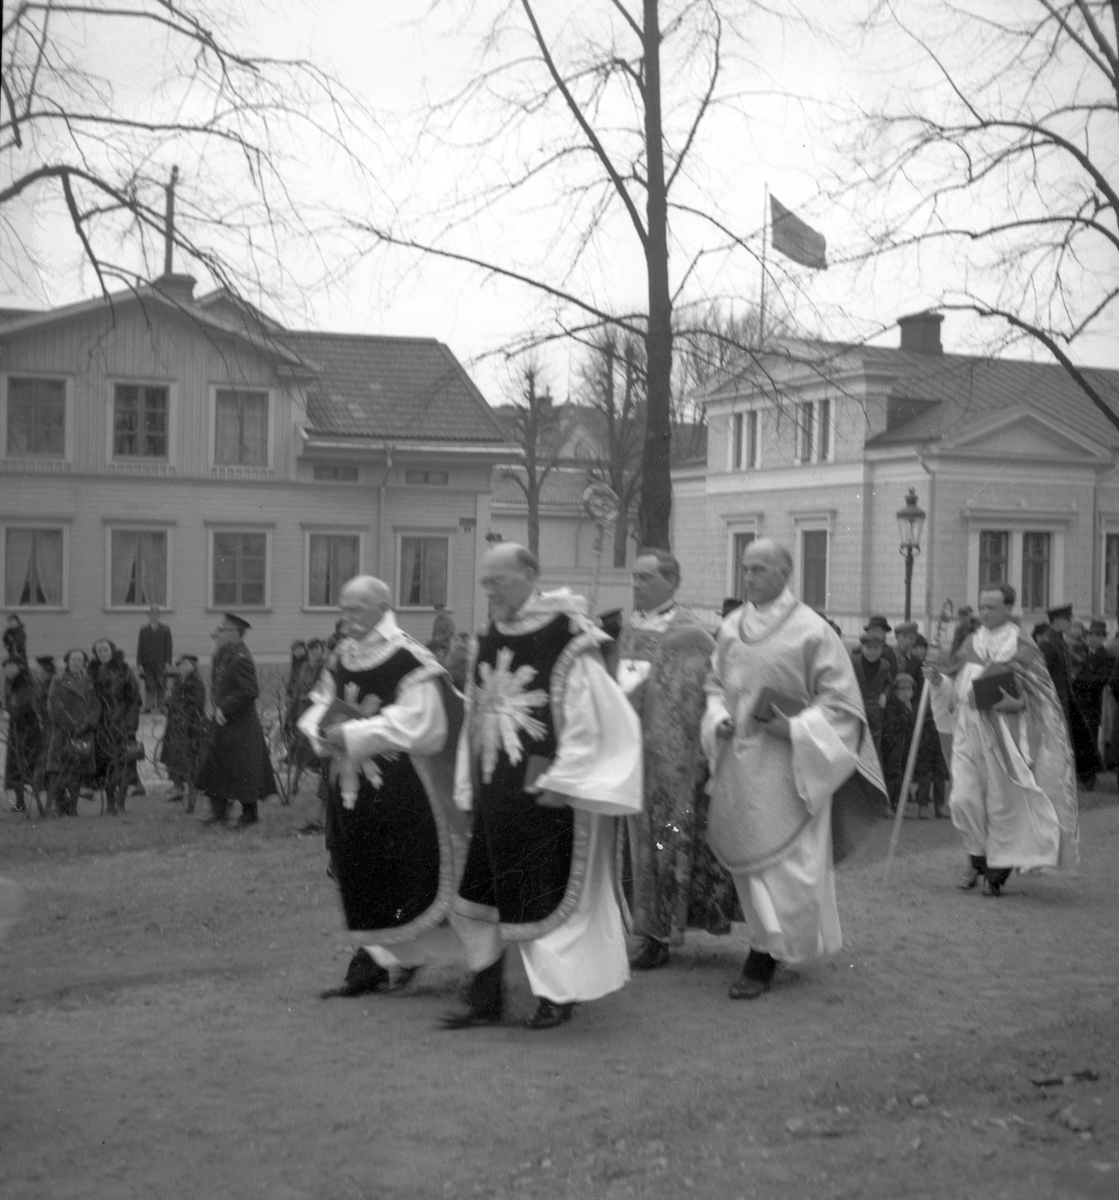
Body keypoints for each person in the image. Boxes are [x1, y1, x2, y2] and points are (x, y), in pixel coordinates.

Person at [443, 543, 643, 1031]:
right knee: (485, 894)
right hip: (496, 791)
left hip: (547, 794)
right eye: (485, 583)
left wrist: (563, 780)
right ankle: (485, 993)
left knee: (543, 893)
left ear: (531, 574)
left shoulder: (568, 637)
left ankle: (558, 993)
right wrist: (468, 786)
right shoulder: (487, 636)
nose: (489, 591)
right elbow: (475, 715)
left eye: (498, 581)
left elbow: (590, 718)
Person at [702, 539, 886, 1000]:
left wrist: (795, 729)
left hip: (794, 766)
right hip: (740, 760)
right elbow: (715, 683)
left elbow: (841, 705)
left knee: (790, 869)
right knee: (750, 864)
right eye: (745, 568)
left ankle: (769, 953)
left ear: (786, 572)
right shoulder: (730, 627)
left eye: (759, 569)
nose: (749, 577)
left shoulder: (813, 630)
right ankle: (765, 945)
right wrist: (717, 717)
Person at [300, 576, 467, 998]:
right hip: (349, 782)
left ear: (382, 607)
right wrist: (319, 731)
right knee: (357, 868)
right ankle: (371, 963)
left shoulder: (410, 658)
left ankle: (400, 958)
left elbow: (425, 724)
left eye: (355, 609)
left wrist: (356, 733)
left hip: (401, 786)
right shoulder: (343, 654)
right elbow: (321, 702)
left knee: (403, 872)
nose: (346, 618)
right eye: (343, 609)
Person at [614, 548, 738, 970]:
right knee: (633, 847)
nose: (636, 584)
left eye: (645, 577)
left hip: (672, 765)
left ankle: (660, 933)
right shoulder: (627, 630)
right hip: (627, 758)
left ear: (672, 581)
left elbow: (701, 696)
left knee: (664, 844)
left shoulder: (691, 636)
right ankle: (638, 926)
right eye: (634, 576)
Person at [924, 583, 1079, 896]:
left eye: (991, 607)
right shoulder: (971, 641)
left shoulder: (1023, 646)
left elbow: (1040, 696)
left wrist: (1016, 703)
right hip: (967, 727)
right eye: (982, 606)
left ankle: (995, 873)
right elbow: (955, 686)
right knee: (963, 798)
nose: (984, 612)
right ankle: (977, 858)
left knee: (1002, 803)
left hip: (1004, 735)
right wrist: (938, 680)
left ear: (1009, 608)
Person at [193, 614, 276, 827]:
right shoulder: (223, 654)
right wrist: (215, 707)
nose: (217, 634)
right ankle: (219, 812)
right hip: (223, 721)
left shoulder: (241, 658)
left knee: (243, 769)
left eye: (222, 630)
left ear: (235, 633)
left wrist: (225, 707)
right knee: (216, 766)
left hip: (240, 724)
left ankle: (249, 815)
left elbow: (250, 690)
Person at [1037, 605, 1099, 788]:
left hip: (1066, 699)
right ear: (1057, 620)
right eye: (1068, 619)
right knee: (1059, 741)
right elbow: (1041, 673)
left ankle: (1080, 777)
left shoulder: (1058, 641)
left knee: (1078, 738)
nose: (1071, 622)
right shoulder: (1048, 643)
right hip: (1054, 701)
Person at [880, 672, 948, 819]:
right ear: (895, 691)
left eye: (909, 689)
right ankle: (896, 806)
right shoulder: (893, 707)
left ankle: (936, 806)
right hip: (898, 748)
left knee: (936, 771)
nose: (906, 693)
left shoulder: (916, 704)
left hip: (921, 743)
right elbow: (890, 731)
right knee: (896, 775)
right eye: (902, 689)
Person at [89, 639, 143, 815]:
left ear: (112, 651)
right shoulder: (92, 672)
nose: (103, 653)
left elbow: (135, 700)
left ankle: (121, 804)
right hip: (100, 726)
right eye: (99, 651)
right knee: (105, 765)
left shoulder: (124, 671)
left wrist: (130, 725)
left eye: (105, 650)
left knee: (124, 765)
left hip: (121, 725)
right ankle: (110, 804)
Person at [45, 649, 100, 817]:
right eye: (73, 660)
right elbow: (54, 706)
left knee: (78, 771)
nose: (76, 663)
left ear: (84, 663)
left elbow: (95, 705)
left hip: (83, 733)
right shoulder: (58, 680)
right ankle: (58, 806)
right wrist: (72, 726)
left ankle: (73, 809)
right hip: (64, 733)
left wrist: (88, 723)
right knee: (58, 770)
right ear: (67, 662)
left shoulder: (88, 681)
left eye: (80, 660)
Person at [162, 654, 207, 810]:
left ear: (193, 667)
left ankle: (190, 787)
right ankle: (177, 786)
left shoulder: (195, 683)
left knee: (187, 757)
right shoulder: (179, 680)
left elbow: (195, 705)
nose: (183, 667)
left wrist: (181, 716)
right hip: (176, 725)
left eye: (187, 665)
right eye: (181, 665)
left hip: (189, 727)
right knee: (173, 756)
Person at [3, 657, 44, 814]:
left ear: (19, 667)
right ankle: (20, 803)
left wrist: (11, 713)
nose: (8, 669)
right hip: (16, 730)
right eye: (6, 667)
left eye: (11, 666)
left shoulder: (27, 682)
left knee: (32, 765)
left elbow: (26, 704)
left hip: (29, 730)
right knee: (15, 767)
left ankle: (49, 802)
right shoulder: (9, 682)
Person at [850, 629, 892, 766]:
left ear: (881, 649)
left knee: (874, 745)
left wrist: (884, 694)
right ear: (862, 647)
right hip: (856, 709)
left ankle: (872, 771)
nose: (873, 652)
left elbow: (889, 683)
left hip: (875, 711)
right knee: (854, 743)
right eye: (869, 648)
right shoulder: (852, 662)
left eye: (877, 648)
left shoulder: (885, 666)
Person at [1073, 620, 1111, 761]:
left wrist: (1078, 678)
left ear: (1104, 637)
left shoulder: (1108, 657)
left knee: (1092, 736)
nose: (1093, 638)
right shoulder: (1084, 654)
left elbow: (1100, 680)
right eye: (1091, 635)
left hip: (1095, 703)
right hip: (1081, 702)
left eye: (1098, 635)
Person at [136, 605, 173, 713]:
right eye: (152, 614)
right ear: (149, 615)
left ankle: (161, 706)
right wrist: (139, 663)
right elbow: (140, 647)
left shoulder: (165, 629)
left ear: (159, 615)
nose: (154, 617)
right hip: (147, 662)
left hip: (161, 662)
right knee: (149, 685)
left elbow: (169, 647)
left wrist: (168, 662)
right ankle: (149, 705)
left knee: (161, 684)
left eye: (156, 615)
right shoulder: (144, 630)